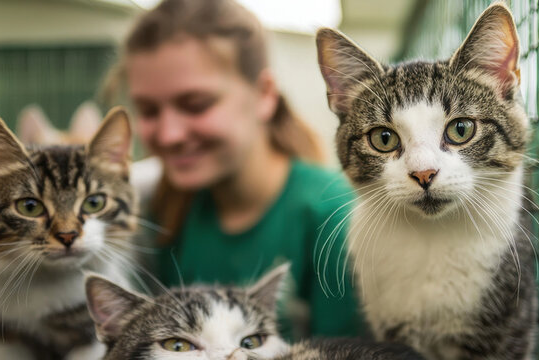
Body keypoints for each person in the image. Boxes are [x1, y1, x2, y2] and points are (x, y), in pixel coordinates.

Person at [113, 0, 361, 340]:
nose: (169, 134)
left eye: (196, 105)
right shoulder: (163, 210)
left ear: (264, 94)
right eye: (148, 110)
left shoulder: (334, 216)